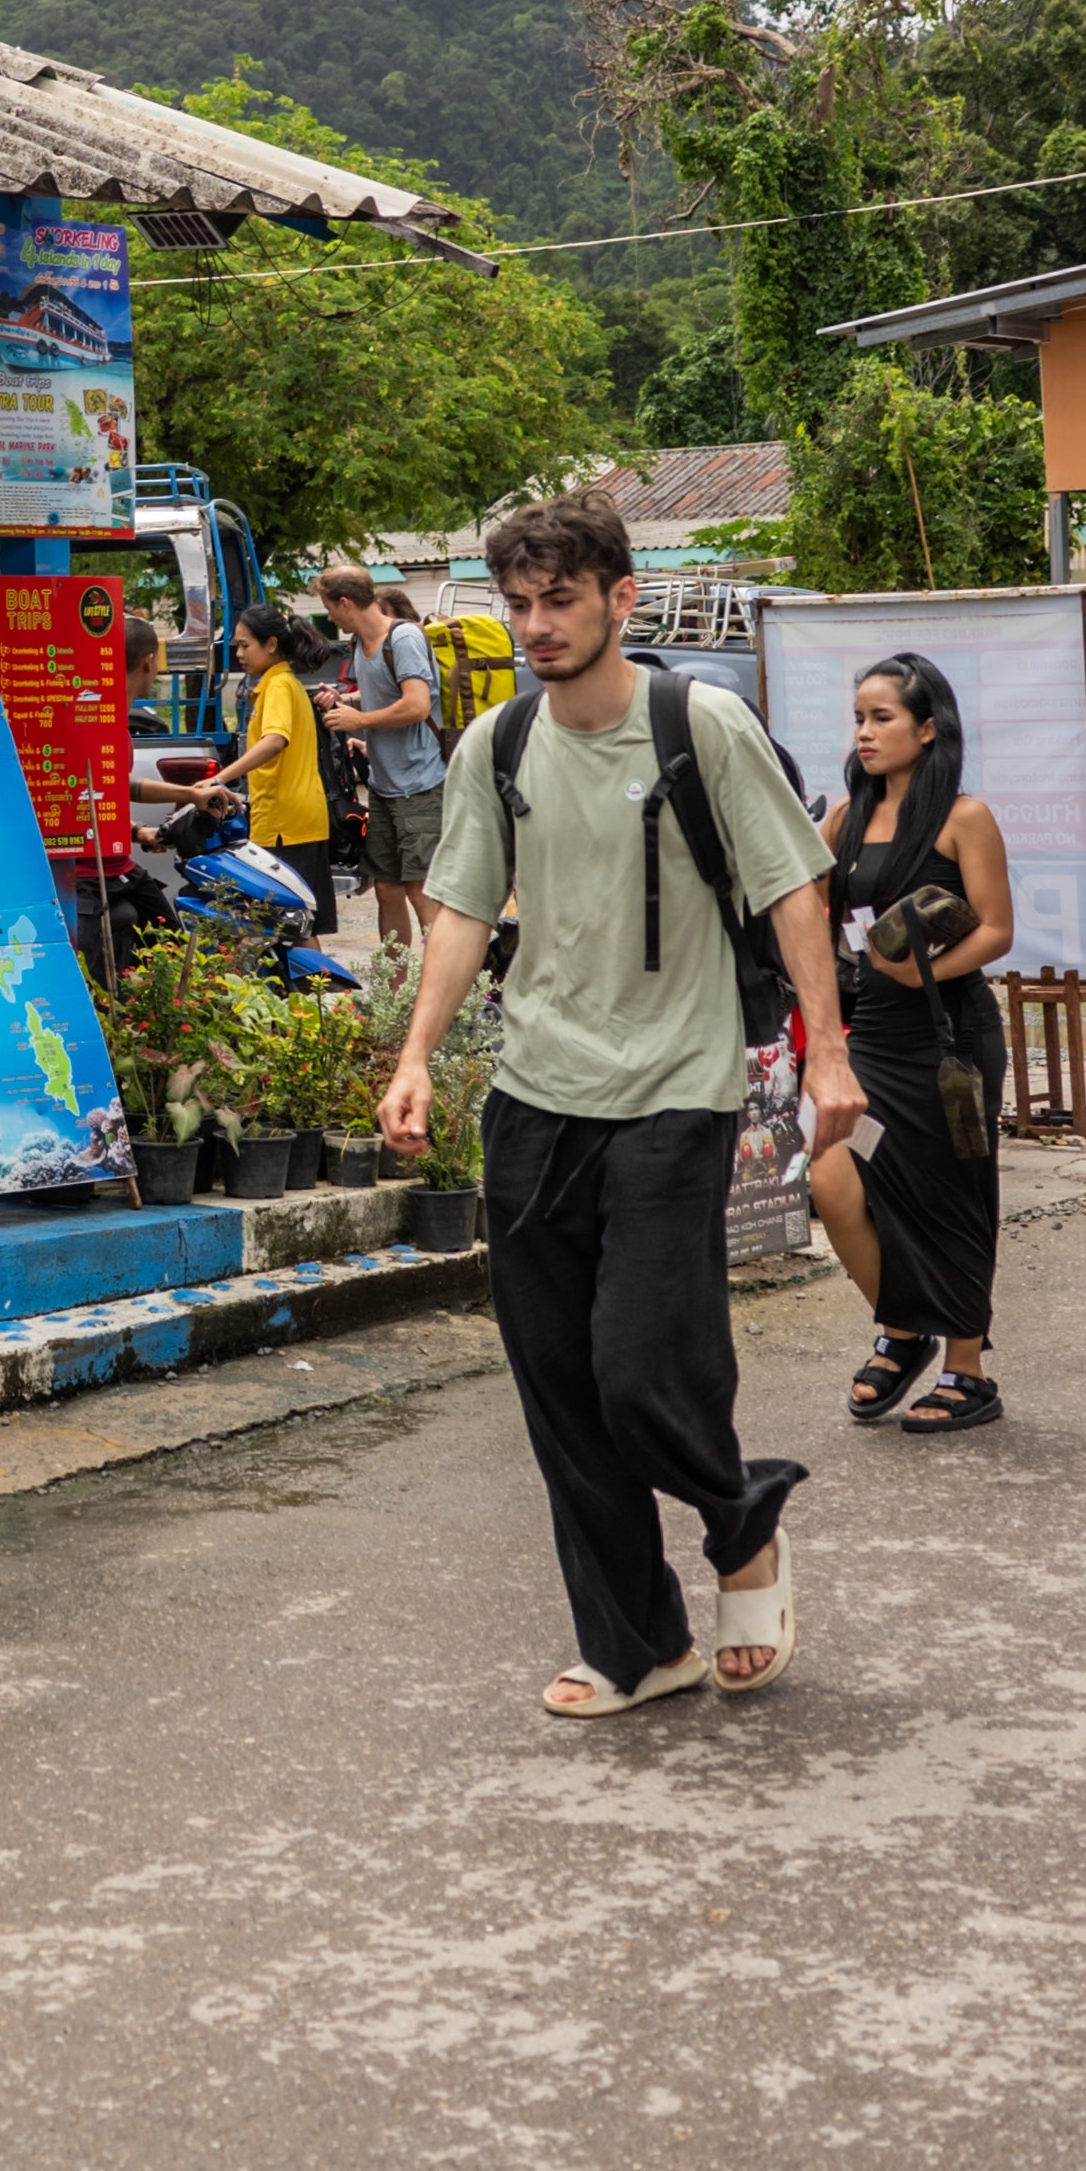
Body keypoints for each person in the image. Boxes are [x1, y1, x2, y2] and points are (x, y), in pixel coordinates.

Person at [376, 492, 855, 1716]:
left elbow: (796, 884)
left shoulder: (698, 722)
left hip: (674, 1088)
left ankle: (740, 1524)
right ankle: (639, 1644)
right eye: (518, 604)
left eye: (560, 601)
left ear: (620, 598)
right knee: (557, 1384)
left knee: (640, 1362)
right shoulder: (495, 743)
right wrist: (418, 1054)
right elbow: (464, 908)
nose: (536, 625)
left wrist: (829, 1054)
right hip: (535, 1094)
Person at [804, 653, 1017, 1432]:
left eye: (882, 716)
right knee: (834, 1174)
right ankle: (902, 1326)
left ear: (928, 729)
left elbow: (995, 929)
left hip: (950, 1040)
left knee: (952, 1195)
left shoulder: (964, 818)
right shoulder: (844, 820)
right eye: (859, 717)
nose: (864, 732)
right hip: (875, 1046)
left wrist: (910, 971)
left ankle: (967, 1369)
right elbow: (812, 917)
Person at [171, 598, 339, 928]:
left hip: (287, 824)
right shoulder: (281, 683)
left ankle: (321, 982)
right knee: (292, 925)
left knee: (293, 926)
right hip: (292, 819)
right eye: (237, 646)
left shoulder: (277, 686)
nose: (239, 654)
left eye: (245, 645)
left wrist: (219, 779)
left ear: (271, 644)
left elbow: (274, 741)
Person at [315, 565, 451, 955]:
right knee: (387, 889)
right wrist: (345, 700)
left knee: (420, 890)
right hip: (384, 787)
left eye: (329, 608)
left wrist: (359, 720)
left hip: (420, 785)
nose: (329, 617)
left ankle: (451, 992)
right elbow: (385, 695)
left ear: (345, 603)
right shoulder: (361, 642)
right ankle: (396, 990)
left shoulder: (403, 637)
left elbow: (417, 704)